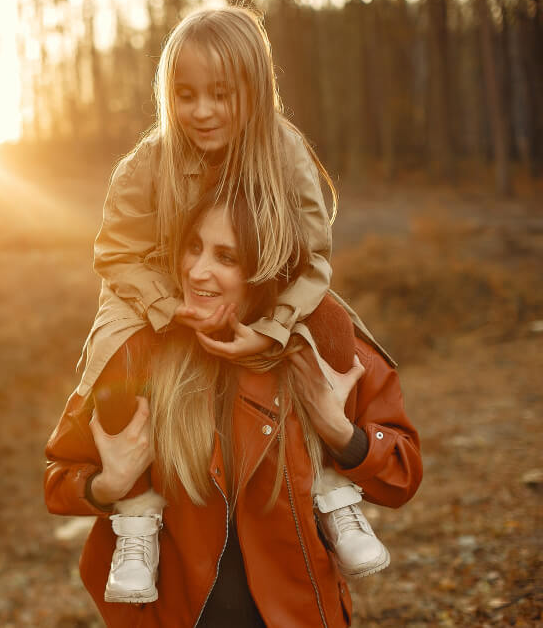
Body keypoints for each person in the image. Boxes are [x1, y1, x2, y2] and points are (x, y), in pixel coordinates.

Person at [75, 5, 395, 602]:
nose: (201, 111)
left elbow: (314, 257)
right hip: (158, 297)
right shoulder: (149, 162)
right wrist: (167, 308)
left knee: (326, 318)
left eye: (220, 94)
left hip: (259, 294)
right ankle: (138, 513)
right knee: (113, 348)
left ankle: (331, 487)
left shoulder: (284, 150)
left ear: (256, 88)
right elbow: (115, 254)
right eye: (186, 94)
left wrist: (273, 329)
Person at [45, 192, 422, 626]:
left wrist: (342, 434)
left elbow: (402, 477)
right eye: (193, 247)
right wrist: (107, 485)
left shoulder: (323, 349)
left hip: (295, 616)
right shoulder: (138, 353)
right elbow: (58, 475)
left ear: (266, 270)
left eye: (226, 257)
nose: (196, 270)